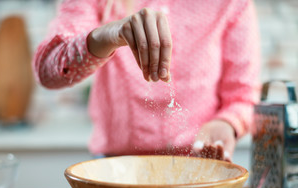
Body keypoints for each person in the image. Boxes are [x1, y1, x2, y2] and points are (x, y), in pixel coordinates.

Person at [33, 0, 261, 162]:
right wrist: (108, 35)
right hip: (116, 169)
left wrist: (227, 124)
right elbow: (48, 70)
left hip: (197, 168)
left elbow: (244, 96)